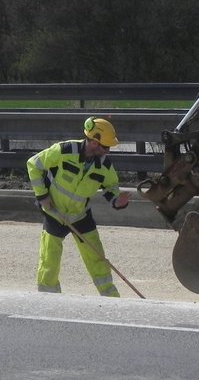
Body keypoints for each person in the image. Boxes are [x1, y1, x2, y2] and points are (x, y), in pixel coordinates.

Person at [26, 116, 130, 296]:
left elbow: (111, 187)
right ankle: (47, 296)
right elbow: (33, 165)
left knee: (97, 258)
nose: (108, 151)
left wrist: (117, 201)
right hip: (55, 213)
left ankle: (110, 297)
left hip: (81, 216)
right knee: (49, 259)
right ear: (94, 143)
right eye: (106, 146)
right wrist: (42, 196)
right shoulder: (64, 151)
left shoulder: (104, 164)